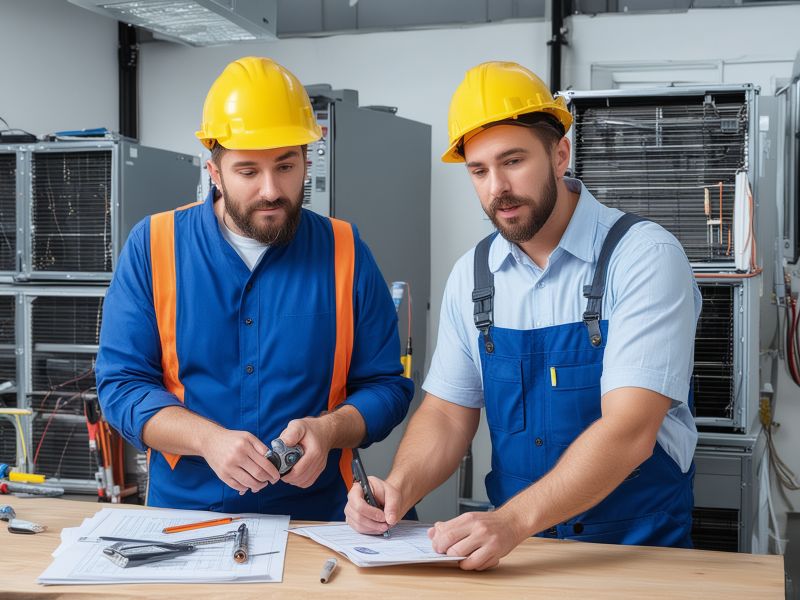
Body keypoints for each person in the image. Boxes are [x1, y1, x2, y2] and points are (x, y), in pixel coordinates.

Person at [344, 61, 701, 569]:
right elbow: (447, 413)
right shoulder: (474, 274)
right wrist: (396, 490)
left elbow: (629, 431)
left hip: (637, 554)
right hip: (519, 556)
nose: (497, 188)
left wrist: (512, 520)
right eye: (478, 170)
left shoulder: (643, 257)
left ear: (560, 154)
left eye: (513, 161)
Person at [96, 56, 413, 520]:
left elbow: (386, 386)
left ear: (307, 159)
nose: (271, 190)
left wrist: (327, 430)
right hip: (183, 521)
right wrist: (206, 440)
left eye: (286, 166)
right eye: (248, 171)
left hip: (316, 521)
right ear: (214, 170)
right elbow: (121, 386)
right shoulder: (153, 245)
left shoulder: (345, 249)